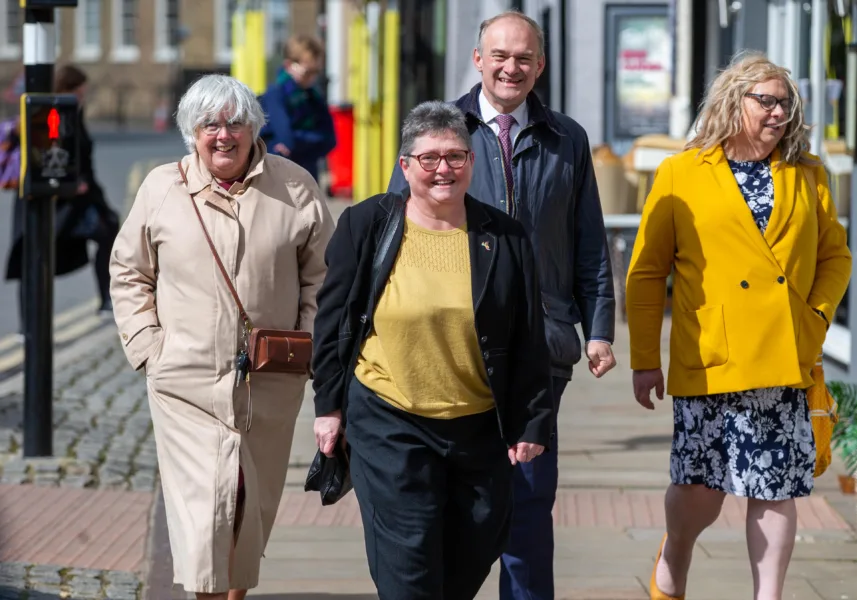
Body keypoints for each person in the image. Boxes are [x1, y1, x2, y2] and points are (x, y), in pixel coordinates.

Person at [387, 13, 617, 599]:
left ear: (539, 66)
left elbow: (587, 238)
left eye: (523, 58)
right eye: (500, 56)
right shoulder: (439, 128)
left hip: (539, 345)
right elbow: (395, 234)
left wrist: (599, 326)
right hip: (451, 344)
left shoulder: (567, 137)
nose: (511, 68)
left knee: (529, 501)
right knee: (455, 502)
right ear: (478, 59)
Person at [626, 52, 852, 600]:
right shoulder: (682, 172)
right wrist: (643, 359)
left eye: (786, 104)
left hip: (783, 356)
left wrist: (815, 317)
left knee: (775, 488)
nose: (779, 113)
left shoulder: (808, 173)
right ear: (734, 101)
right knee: (700, 490)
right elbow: (647, 271)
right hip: (711, 355)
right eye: (767, 101)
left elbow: (835, 258)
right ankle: (675, 554)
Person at [312, 100, 554, 599]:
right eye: (429, 158)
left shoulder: (503, 237)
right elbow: (333, 321)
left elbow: (528, 336)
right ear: (406, 166)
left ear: (471, 162)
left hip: (479, 424)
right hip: (390, 420)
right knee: (409, 563)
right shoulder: (366, 225)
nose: (443, 169)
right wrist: (328, 408)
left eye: (456, 157)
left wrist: (532, 421)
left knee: (474, 549)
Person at [109, 74, 334, 600]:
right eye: (209, 124)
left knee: (250, 502)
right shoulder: (162, 187)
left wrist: (306, 342)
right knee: (204, 509)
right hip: (183, 381)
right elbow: (128, 270)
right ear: (192, 132)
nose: (223, 135)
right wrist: (148, 345)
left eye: (234, 122)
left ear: (253, 127)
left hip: (270, 381)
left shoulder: (295, 184)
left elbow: (325, 277)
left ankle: (235, 591)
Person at [4, 64, 119, 329]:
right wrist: (65, 181)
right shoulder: (48, 114)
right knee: (32, 256)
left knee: (109, 229)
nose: (83, 98)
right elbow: (42, 157)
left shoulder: (72, 113)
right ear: (66, 90)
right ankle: (29, 327)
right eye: (80, 92)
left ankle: (106, 300)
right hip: (48, 201)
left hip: (78, 201)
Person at [258, 34, 336, 182]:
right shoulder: (275, 95)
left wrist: (296, 141)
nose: (312, 78)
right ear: (288, 65)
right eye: (307, 72)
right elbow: (286, 139)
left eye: (316, 72)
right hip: (279, 177)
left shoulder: (314, 97)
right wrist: (311, 141)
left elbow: (330, 140)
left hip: (308, 174)